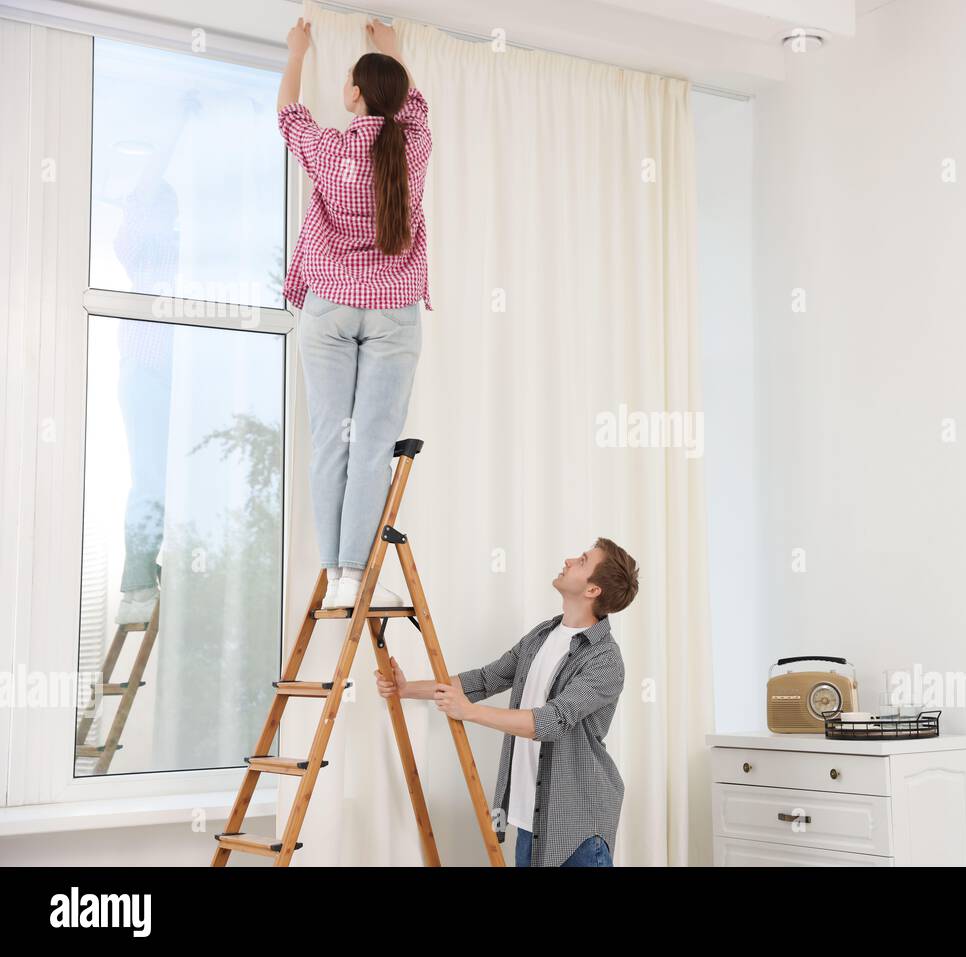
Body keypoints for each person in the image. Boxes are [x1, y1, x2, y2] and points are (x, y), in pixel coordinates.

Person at [276, 17, 431, 609]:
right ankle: (354, 573)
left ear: (355, 95)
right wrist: (392, 50)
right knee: (372, 446)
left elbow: (289, 113)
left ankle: (335, 570)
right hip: (394, 308)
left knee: (331, 442)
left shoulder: (332, 148)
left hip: (330, 306)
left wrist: (297, 53)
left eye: (349, 80)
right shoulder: (413, 146)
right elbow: (413, 106)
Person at [375, 539, 641, 867]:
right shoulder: (543, 635)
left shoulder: (604, 660)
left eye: (583, 560)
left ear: (592, 591)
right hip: (530, 820)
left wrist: (469, 713)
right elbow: (484, 680)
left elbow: (552, 721)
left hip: (577, 829)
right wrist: (405, 689)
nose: (569, 559)